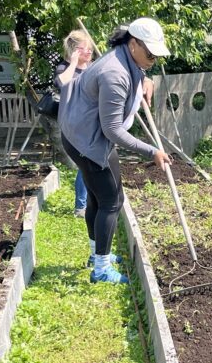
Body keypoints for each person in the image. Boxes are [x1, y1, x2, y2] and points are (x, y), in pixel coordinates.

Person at [59, 17, 171, 284]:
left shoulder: (128, 59)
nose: (153, 59)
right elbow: (112, 131)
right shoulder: (115, 73)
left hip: (81, 134)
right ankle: (101, 269)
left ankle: (96, 255)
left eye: (156, 55)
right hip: (88, 141)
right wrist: (151, 151)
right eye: (150, 54)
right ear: (134, 44)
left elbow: (138, 74)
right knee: (111, 201)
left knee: (100, 198)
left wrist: (147, 80)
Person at [55, 30, 95, 218]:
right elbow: (63, 84)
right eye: (83, 48)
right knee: (84, 164)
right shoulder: (64, 68)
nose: (88, 51)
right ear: (73, 51)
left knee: (94, 163)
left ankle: (91, 201)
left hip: (94, 122)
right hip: (75, 124)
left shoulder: (94, 67)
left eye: (89, 47)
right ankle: (81, 206)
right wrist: (73, 63)